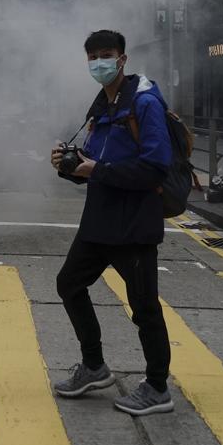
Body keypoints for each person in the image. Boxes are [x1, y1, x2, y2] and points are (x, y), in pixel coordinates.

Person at [50, 29, 174, 415]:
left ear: (122, 58)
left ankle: (157, 388)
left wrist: (96, 169)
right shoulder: (101, 106)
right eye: (92, 57)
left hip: (134, 225)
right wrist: (70, 166)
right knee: (69, 284)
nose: (98, 63)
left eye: (106, 55)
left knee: (143, 306)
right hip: (100, 221)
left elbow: (155, 168)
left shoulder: (144, 102)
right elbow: (94, 162)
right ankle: (93, 366)